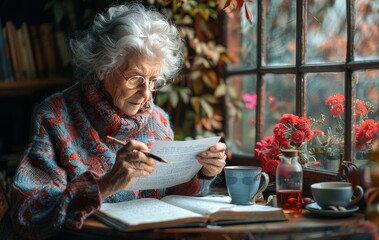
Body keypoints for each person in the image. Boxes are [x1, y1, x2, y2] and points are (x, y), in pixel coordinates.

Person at [0, 3, 227, 239]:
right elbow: (30, 212)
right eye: (136, 78)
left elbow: (171, 196)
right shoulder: (55, 116)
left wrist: (203, 173)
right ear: (103, 68)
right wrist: (106, 184)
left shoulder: (158, 120)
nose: (147, 94)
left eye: (153, 80)